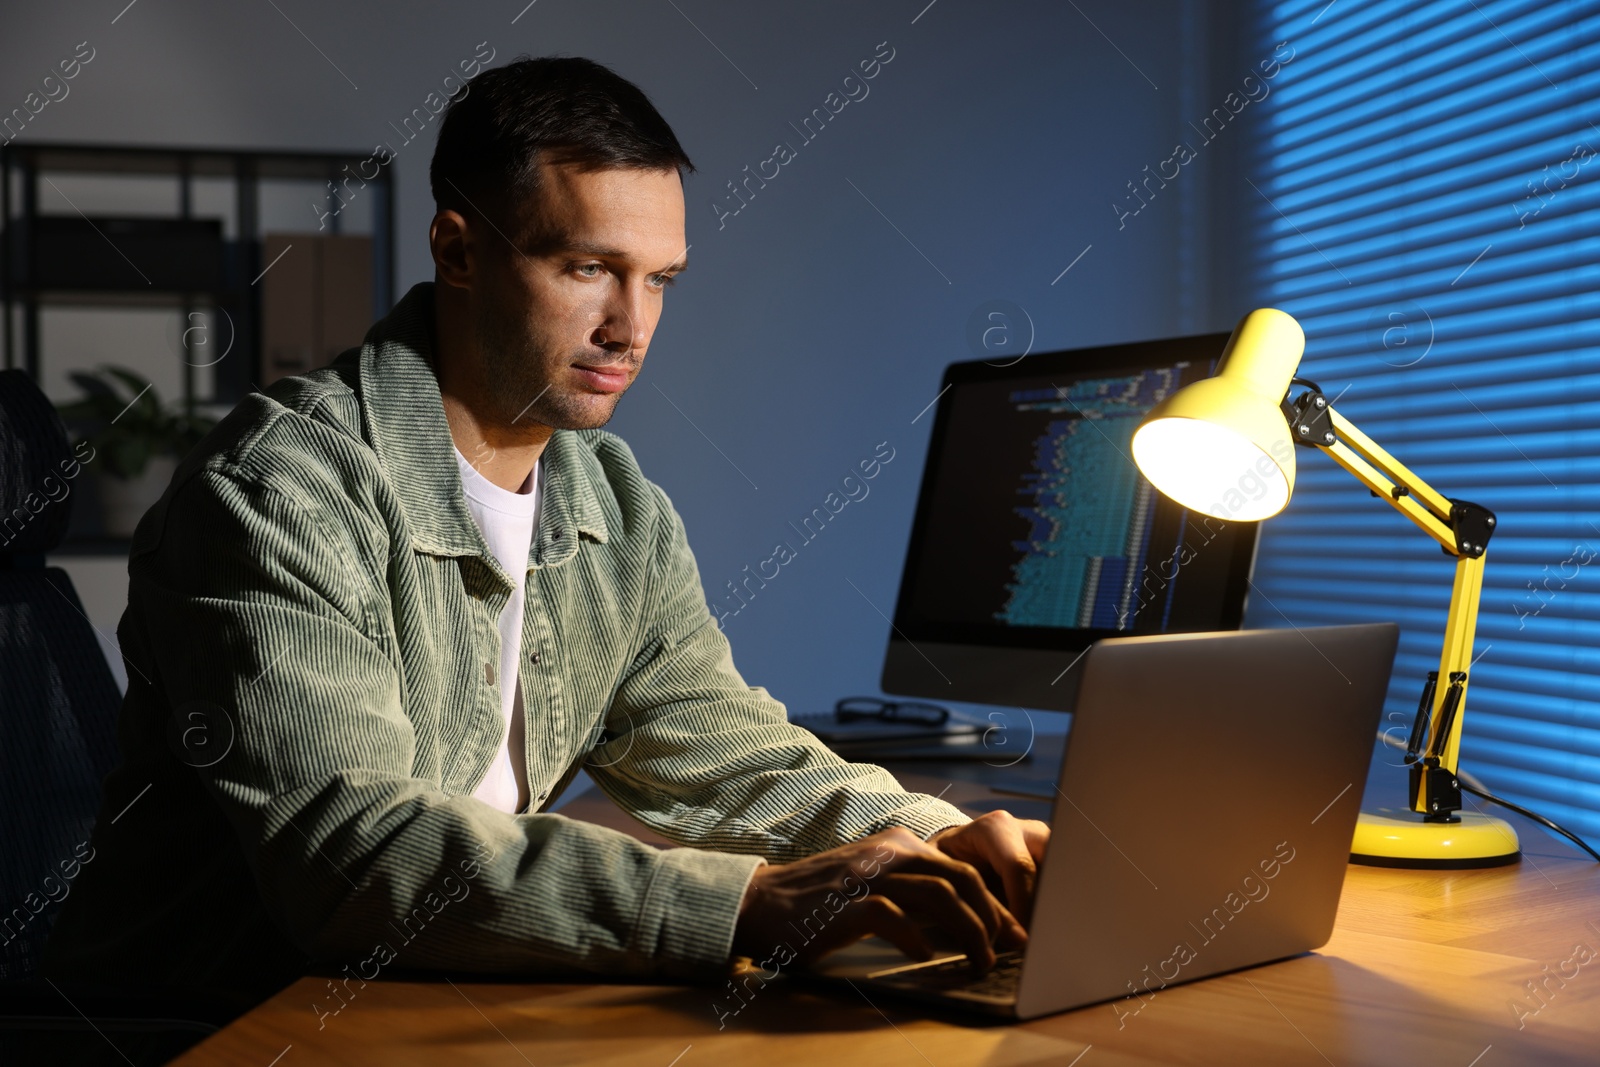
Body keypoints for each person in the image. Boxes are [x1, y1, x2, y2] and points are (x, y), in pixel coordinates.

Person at [42, 55, 1048, 1019]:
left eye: (659, 279)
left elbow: (731, 755)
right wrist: (745, 903)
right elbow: (351, 857)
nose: (630, 325)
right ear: (458, 250)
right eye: (587, 268)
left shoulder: (616, 502)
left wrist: (946, 840)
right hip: (215, 1023)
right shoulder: (274, 495)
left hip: (428, 1000)